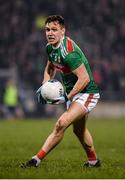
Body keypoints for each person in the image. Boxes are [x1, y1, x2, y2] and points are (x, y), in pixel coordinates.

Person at [21, 15, 101, 168]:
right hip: (73, 93)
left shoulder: (69, 52)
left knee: (61, 124)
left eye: (54, 30)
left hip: (86, 93)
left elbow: (84, 79)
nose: (50, 33)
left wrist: (67, 96)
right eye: (47, 30)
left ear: (63, 31)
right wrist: (45, 86)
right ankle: (93, 162)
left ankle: (35, 160)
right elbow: (50, 67)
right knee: (79, 130)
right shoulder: (50, 47)